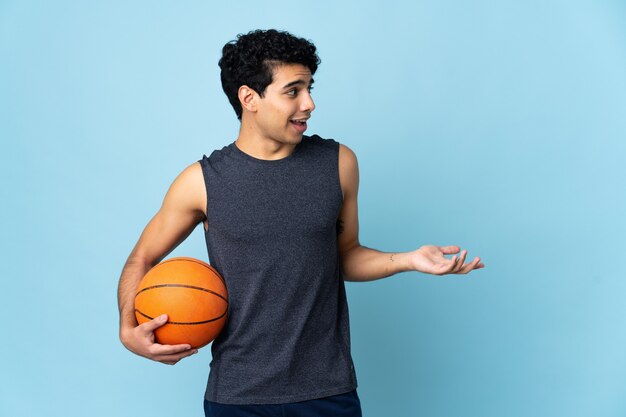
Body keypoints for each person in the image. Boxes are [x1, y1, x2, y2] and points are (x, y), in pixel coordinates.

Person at [117, 29, 485, 417]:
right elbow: (140, 259)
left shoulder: (339, 164)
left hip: (328, 391)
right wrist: (129, 329)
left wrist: (409, 259)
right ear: (249, 98)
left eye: (309, 88)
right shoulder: (201, 182)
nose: (309, 103)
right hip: (237, 396)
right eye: (293, 91)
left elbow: (344, 257)